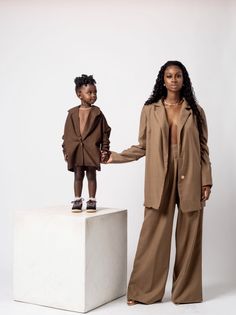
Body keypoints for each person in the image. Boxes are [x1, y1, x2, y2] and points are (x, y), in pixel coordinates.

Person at [105, 61, 212, 305]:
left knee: (189, 236)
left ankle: (186, 293)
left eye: (178, 75)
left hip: (191, 175)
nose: (174, 79)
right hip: (159, 176)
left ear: (184, 80)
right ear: (162, 80)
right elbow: (142, 146)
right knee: (153, 235)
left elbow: (204, 149)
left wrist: (206, 180)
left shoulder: (196, 111)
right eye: (169, 76)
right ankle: (143, 292)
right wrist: (114, 157)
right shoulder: (150, 109)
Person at [62, 74, 111, 212]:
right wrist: (66, 151)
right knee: (77, 175)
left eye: (95, 92)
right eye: (89, 92)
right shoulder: (72, 113)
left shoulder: (98, 113)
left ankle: (92, 200)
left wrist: (105, 150)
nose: (93, 95)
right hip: (76, 150)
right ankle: (77, 199)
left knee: (91, 175)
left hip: (91, 150)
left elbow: (105, 132)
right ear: (79, 94)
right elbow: (66, 134)